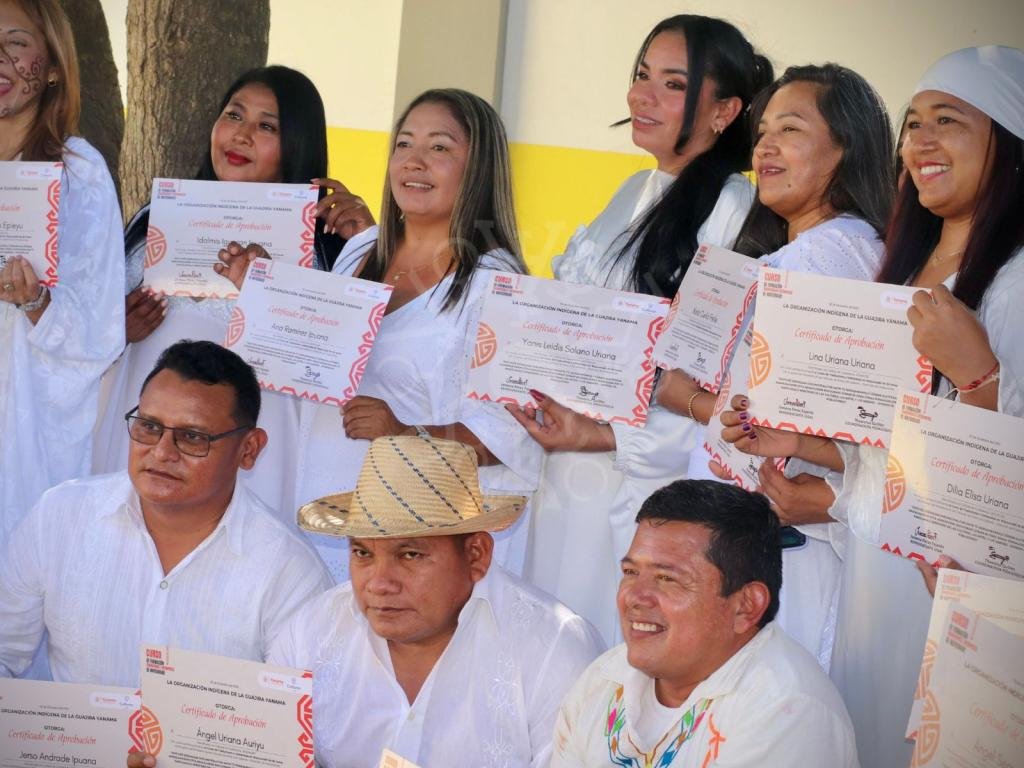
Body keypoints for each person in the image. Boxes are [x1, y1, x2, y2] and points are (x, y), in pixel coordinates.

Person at [715, 46, 1024, 768]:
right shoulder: (905, 272)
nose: (920, 142)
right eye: (913, 124)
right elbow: (892, 451)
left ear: (1007, 145)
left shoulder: (1014, 282)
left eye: (948, 122)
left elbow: (1004, 473)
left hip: (956, 587)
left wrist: (977, 371)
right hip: (875, 576)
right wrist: (797, 442)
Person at [509, 14, 773, 645]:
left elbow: (707, 379)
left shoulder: (733, 212)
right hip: (566, 478)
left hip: (637, 497)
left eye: (673, 84)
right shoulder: (635, 189)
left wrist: (599, 436)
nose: (641, 96)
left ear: (724, 111)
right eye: (641, 75)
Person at [130, 435, 604, 768]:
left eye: (410, 554)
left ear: (476, 554)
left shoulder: (552, 649)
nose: (379, 583)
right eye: (362, 553)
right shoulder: (311, 631)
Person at [653, 63, 895, 667]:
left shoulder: (819, 259)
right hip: (784, 553)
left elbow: (777, 420)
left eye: (789, 130)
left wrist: (683, 395)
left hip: (781, 557)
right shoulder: (847, 250)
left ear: (847, 149)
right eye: (762, 132)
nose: (764, 146)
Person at [279, 89, 543, 582]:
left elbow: (511, 435)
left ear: (479, 168)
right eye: (404, 144)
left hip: (422, 546)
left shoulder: (497, 283)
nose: (415, 161)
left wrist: (403, 433)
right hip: (328, 519)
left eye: (439, 147)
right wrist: (255, 289)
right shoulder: (359, 256)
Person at [92, 65, 374, 519]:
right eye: (234, 115)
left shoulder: (326, 243)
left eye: (266, 126)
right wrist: (116, 329)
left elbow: (336, 366)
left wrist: (353, 250)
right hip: (147, 437)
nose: (241, 135)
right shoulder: (157, 217)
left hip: (257, 452)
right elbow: (92, 338)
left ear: (296, 144)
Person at [0, 341, 331, 685]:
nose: (161, 453)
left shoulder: (289, 570)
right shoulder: (58, 518)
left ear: (248, 450)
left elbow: (296, 716)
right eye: (149, 427)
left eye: (192, 437)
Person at [551, 480, 858, 766]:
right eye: (631, 573)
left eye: (667, 578)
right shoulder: (604, 678)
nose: (635, 597)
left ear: (746, 606)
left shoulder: (787, 709)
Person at [0, 0, 124, 545]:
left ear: (52, 67)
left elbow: (102, 325)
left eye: (16, 42)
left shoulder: (77, 171)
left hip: (24, 420)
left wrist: (36, 304)